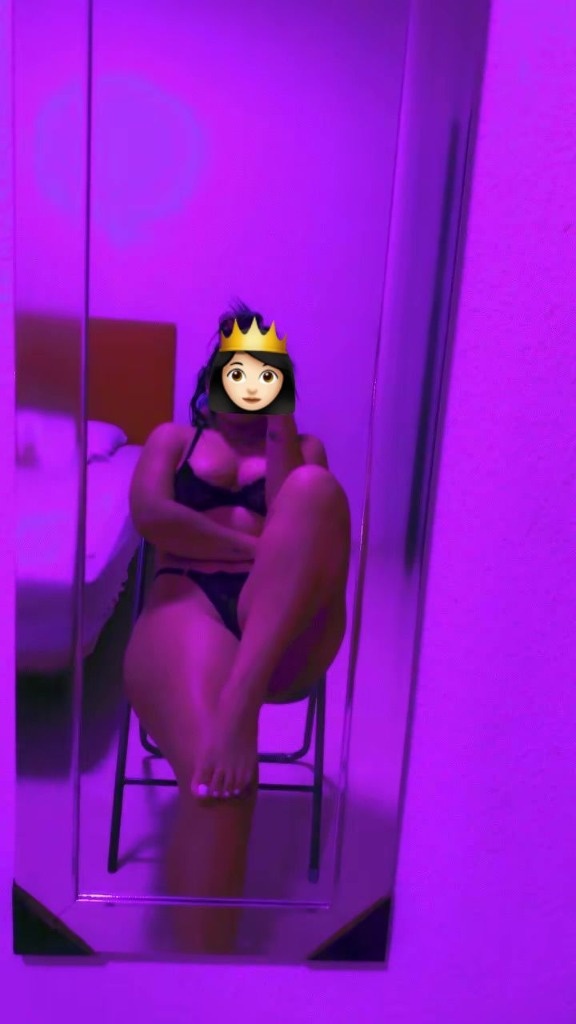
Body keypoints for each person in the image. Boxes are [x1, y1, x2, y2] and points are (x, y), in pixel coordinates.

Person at [123, 301, 351, 953]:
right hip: (188, 599)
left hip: (279, 628)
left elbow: (295, 523)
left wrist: (281, 426)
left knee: (313, 490)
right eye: (236, 370)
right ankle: (202, 982)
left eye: (265, 374)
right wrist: (260, 549)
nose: (249, 385)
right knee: (217, 784)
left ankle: (238, 704)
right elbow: (152, 516)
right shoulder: (174, 440)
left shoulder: (303, 449)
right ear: (213, 375)